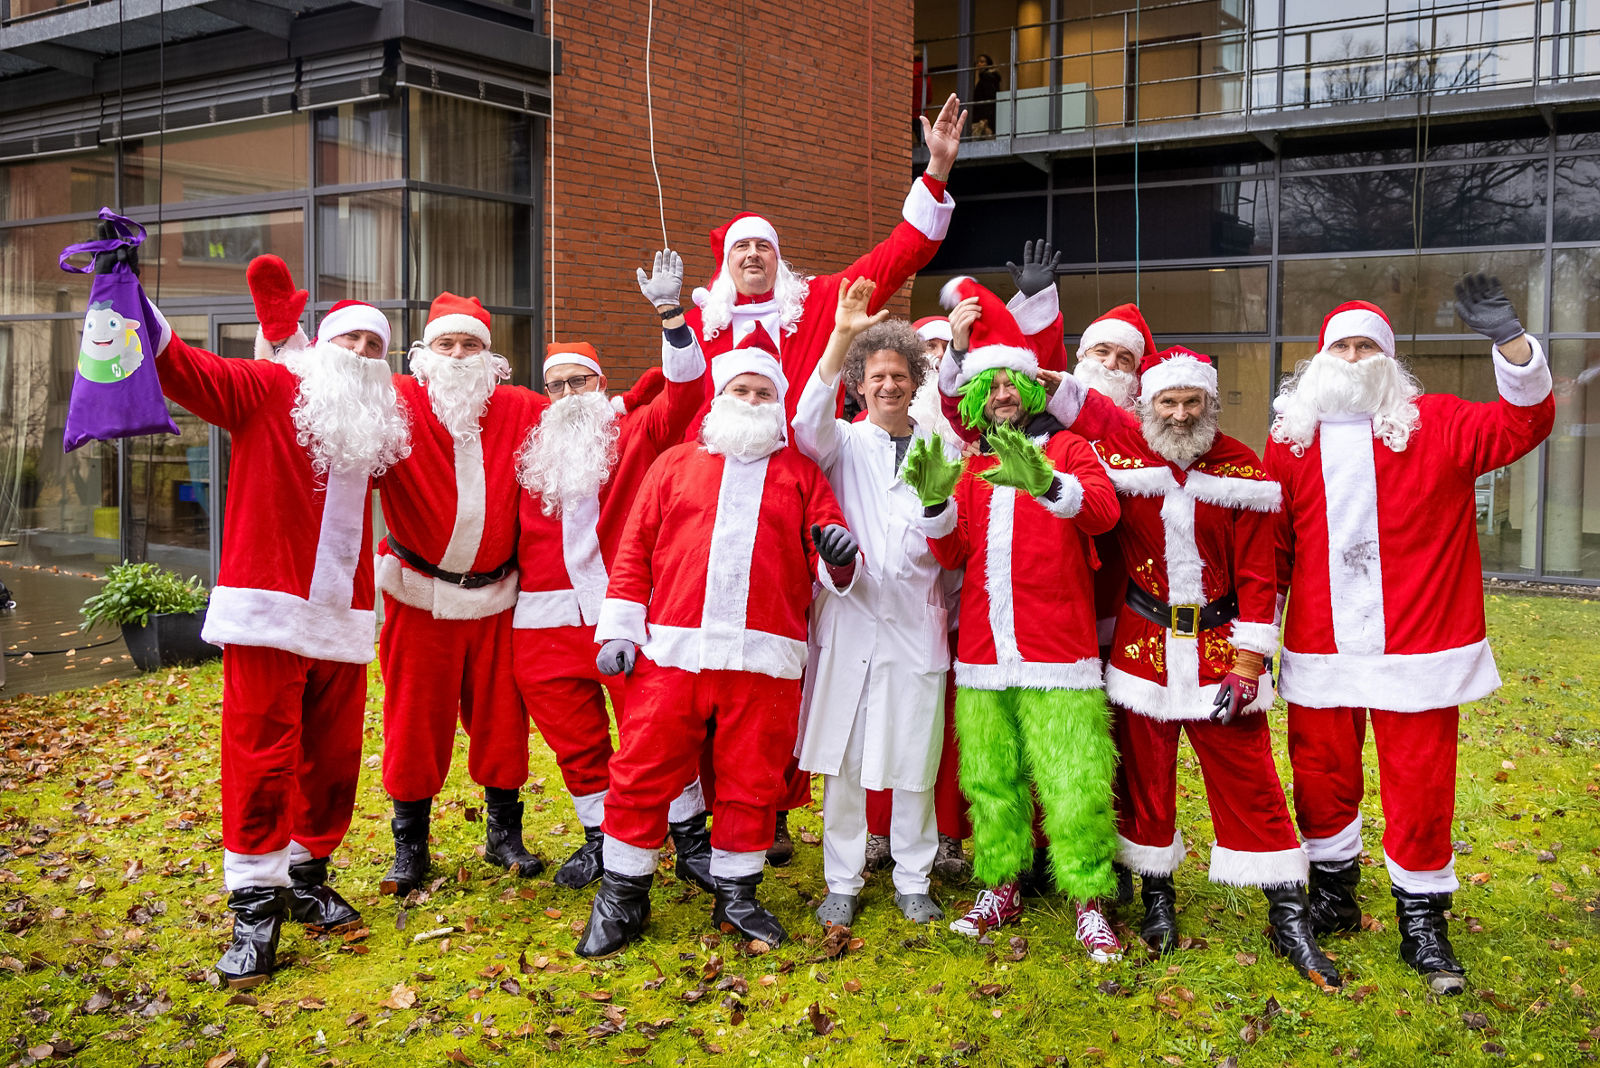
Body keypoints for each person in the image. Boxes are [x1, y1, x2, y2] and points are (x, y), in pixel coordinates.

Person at [1266, 278, 1554, 995]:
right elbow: (1269, 551)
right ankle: (1333, 893)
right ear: (1321, 358)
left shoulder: (1443, 424)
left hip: (1420, 648)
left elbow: (1525, 425)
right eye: (1343, 345)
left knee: (1421, 787)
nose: (1356, 356)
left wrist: (1512, 346)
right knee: (1321, 775)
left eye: (1369, 346)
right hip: (1321, 646)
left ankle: (1422, 920)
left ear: (1389, 360)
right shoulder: (1289, 441)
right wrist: (1252, 642)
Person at [148, 254, 411, 987]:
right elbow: (186, 370)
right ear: (321, 347)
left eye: (374, 347)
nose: (361, 355)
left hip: (345, 619)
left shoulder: (378, 423)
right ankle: (254, 909)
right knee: (262, 759)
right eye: (349, 341)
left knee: (329, 764)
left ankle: (306, 873)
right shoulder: (269, 389)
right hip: (268, 616)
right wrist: (129, 296)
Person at [1051, 345, 1341, 987]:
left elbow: (1260, 575)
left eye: (1192, 402)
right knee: (1146, 782)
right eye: (1168, 402)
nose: (1180, 416)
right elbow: (1090, 426)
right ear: (1149, 405)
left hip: (1219, 650)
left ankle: (1286, 913)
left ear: (1210, 403)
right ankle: (1157, 903)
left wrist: (1247, 662)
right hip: (1142, 650)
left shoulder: (1241, 467)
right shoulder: (1123, 461)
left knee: (1251, 780)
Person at [575, 329, 859, 958]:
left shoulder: (801, 473)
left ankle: (737, 894)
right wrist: (619, 629)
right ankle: (623, 893)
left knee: (751, 780)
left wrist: (839, 560)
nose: (753, 399)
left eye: (764, 392)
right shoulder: (673, 464)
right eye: (742, 389)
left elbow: (830, 551)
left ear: (778, 404)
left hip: (766, 658)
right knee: (643, 770)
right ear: (721, 396)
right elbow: (634, 551)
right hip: (673, 652)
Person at [902, 278, 1124, 960]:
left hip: (1058, 652)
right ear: (972, 395)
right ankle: (999, 884)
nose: (1000, 394)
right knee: (990, 780)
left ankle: (1090, 899)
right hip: (983, 657)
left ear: (1031, 390)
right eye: (988, 385)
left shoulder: (1069, 450)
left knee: (1073, 778)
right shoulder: (971, 465)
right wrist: (936, 502)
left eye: (1011, 385)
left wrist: (1049, 485)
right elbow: (952, 550)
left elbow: (1104, 514)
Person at [511, 251, 711, 891]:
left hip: (625, 613)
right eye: (558, 386)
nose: (569, 396)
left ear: (602, 386)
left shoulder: (634, 431)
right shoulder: (532, 450)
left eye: (581, 383)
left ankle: (688, 836)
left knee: (655, 726)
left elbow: (685, 395)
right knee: (575, 739)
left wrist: (671, 316)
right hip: (544, 621)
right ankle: (600, 835)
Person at [792, 278, 956, 927]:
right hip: (851, 618)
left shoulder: (936, 449)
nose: (888, 384)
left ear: (916, 381)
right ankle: (843, 878)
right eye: (877, 375)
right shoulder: (841, 442)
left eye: (900, 374)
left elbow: (947, 545)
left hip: (917, 624)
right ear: (859, 384)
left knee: (915, 757)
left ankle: (914, 878)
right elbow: (803, 424)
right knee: (847, 759)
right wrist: (840, 337)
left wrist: (940, 511)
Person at [373, 293, 548, 895]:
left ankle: (504, 833)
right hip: (418, 597)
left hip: (497, 597)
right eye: (446, 344)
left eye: (469, 344)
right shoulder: (396, 401)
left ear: (488, 355)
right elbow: (331, 390)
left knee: (503, 721)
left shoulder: (520, 407)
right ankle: (411, 845)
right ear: (425, 352)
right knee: (413, 722)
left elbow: (591, 415)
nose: (457, 355)